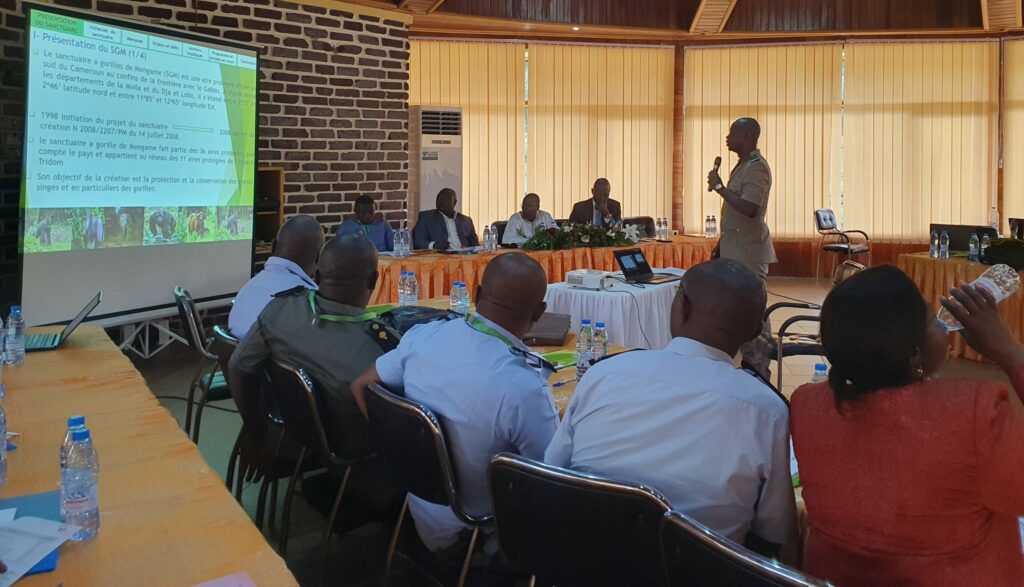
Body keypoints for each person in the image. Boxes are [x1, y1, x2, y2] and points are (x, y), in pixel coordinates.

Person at [791, 265, 1024, 586]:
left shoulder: (807, 404)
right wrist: (1011, 353)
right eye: (933, 320)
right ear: (915, 353)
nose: (944, 326)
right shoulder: (974, 414)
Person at [545, 258, 796, 555]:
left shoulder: (603, 374)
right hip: (697, 573)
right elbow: (775, 532)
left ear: (681, 309)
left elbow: (551, 474)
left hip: (580, 562)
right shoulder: (766, 410)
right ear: (756, 330)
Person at [351, 253, 557, 561]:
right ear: (539, 312)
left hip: (418, 505)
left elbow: (361, 385)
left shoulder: (424, 335)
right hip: (477, 531)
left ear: (475, 294)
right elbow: (554, 482)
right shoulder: (522, 388)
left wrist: (396, 451)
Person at [229, 235, 399, 459]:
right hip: (360, 457)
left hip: (297, 438)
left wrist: (256, 433)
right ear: (374, 280)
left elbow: (239, 366)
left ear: (316, 275)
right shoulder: (385, 351)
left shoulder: (279, 310)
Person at [707, 118, 777, 380]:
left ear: (747, 135)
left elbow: (750, 209)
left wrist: (719, 188)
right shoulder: (744, 165)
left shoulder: (757, 168)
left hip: (748, 251)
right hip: (734, 248)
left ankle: (758, 370)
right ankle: (747, 364)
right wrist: (721, 245)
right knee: (740, 308)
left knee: (753, 309)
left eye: (732, 132)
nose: (727, 137)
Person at [228, 215, 323, 338]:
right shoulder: (309, 301)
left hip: (232, 355)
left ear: (273, 246)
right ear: (319, 258)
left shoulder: (251, 286)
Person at [412, 188, 479, 250]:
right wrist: (433, 245)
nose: (442, 201)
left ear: (454, 202)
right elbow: (417, 241)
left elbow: (476, 246)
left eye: (446, 199)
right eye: (439, 198)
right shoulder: (427, 217)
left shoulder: (466, 220)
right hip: (440, 257)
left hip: (464, 257)